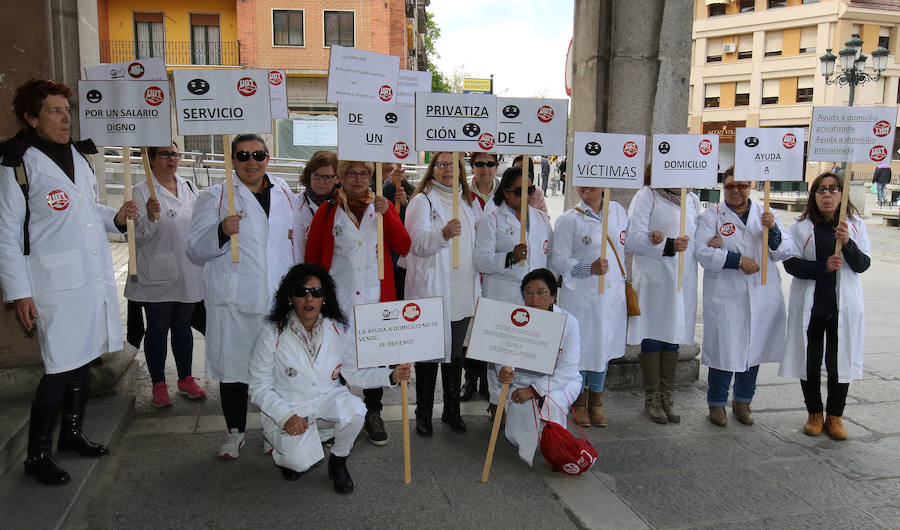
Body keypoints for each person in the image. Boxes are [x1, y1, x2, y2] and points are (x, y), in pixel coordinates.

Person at [0, 79, 137, 485]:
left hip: (89, 277)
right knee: (59, 366)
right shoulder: (17, 162)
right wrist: (19, 293)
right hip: (52, 283)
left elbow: (85, 208)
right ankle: (36, 454)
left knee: (84, 357)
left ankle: (71, 434)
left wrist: (114, 217)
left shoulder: (77, 155)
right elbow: (7, 233)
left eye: (67, 110)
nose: (65, 118)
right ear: (31, 117)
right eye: (54, 111)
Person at [248, 264, 411, 492]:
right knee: (299, 461)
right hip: (290, 406)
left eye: (316, 292)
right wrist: (285, 416)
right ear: (290, 297)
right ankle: (289, 450)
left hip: (326, 399)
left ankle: (338, 461)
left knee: (356, 411)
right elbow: (258, 386)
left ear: (324, 298)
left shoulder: (337, 328)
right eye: (301, 292)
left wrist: (390, 376)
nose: (309, 298)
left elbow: (354, 372)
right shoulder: (271, 332)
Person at [187, 134, 300, 459]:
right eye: (243, 155)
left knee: (275, 371)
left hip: (276, 299)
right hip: (233, 300)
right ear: (233, 160)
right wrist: (221, 231)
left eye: (259, 154)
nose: (252, 161)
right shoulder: (216, 195)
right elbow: (195, 249)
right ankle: (234, 433)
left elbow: (293, 246)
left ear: (268, 156)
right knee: (234, 370)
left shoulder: (284, 193)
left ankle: (271, 428)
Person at [305, 160, 411, 446]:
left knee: (374, 359)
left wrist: (388, 213)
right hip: (338, 302)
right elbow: (312, 260)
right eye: (351, 173)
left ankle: (373, 413)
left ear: (372, 177)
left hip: (376, 300)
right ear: (341, 177)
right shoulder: (328, 212)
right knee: (334, 361)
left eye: (364, 173)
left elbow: (403, 246)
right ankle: (335, 414)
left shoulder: (382, 209)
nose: (358, 178)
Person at [694, 169, 794, 426]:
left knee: (754, 348)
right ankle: (716, 403)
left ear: (750, 186)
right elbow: (701, 253)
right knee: (723, 350)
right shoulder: (712, 216)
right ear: (723, 188)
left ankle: (743, 400)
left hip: (761, 293)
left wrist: (772, 232)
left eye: (741, 185)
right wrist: (736, 260)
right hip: (727, 295)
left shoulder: (766, 214)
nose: (735, 190)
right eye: (729, 186)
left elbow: (784, 251)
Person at [780, 172, 871, 440]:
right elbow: (790, 262)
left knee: (838, 361)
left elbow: (863, 264)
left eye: (833, 189)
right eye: (821, 190)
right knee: (809, 361)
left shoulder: (854, 225)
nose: (827, 195)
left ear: (842, 194)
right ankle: (814, 414)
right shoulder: (801, 227)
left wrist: (848, 242)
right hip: (812, 306)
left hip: (842, 306)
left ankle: (835, 416)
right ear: (814, 195)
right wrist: (823, 267)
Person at [404, 152, 481, 436]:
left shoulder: (467, 201)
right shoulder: (421, 201)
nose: (448, 169)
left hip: (462, 290)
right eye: (442, 164)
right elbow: (416, 244)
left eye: (454, 164)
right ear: (433, 169)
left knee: (455, 354)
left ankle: (451, 411)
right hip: (433, 289)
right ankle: (423, 413)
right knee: (428, 353)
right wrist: (443, 234)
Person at [125, 142, 205, 408]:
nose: (171, 159)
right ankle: (158, 383)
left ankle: (186, 378)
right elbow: (136, 236)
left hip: (188, 268)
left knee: (183, 324)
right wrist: (149, 217)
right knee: (158, 326)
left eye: (175, 154)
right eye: (165, 154)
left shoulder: (189, 187)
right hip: (156, 271)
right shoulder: (139, 191)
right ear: (151, 158)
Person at [475, 165, 553, 424]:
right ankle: (498, 404)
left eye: (530, 190)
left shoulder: (541, 219)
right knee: (501, 354)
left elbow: (547, 256)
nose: (526, 196)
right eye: (519, 191)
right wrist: (509, 257)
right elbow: (481, 262)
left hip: (534, 300)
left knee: (528, 352)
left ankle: (525, 402)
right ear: (506, 192)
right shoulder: (492, 219)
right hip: (503, 295)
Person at [625, 168, 700, 424]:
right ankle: (652, 397)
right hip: (655, 276)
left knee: (672, 335)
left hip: (682, 278)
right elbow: (632, 239)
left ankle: (667, 394)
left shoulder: (691, 199)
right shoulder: (647, 196)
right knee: (653, 332)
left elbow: (695, 236)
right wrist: (666, 243)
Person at [551, 186, 627, 427]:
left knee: (603, 346)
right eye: (581, 182)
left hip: (611, 295)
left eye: (591, 182)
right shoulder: (568, 220)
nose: (585, 187)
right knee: (581, 349)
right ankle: (579, 401)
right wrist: (588, 268)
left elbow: (628, 242)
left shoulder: (617, 212)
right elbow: (559, 259)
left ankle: (597, 400)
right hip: (582, 296)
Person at [498, 268, 581, 466]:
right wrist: (503, 369)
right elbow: (501, 352)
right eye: (528, 292)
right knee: (517, 433)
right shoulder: (516, 319)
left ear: (552, 296)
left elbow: (568, 368)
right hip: (521, 380)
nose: (533, 299)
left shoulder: (569, 323)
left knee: (551, 401)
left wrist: (535, 391)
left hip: (561, 382)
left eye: (540, 292)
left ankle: (556, 449)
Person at [296, 150, 339, 261]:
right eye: (316, 176)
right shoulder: (295, 204)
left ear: (337, 179)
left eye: (327, 177)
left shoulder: (344, 207)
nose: (321, 181)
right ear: (309, 176)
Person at [381, 162, 413, 299]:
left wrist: (406, 203)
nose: (388, 162)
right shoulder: (367, 184)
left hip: (404, 262)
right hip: (383, 261)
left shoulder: (410, 188)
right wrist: (389, 185)